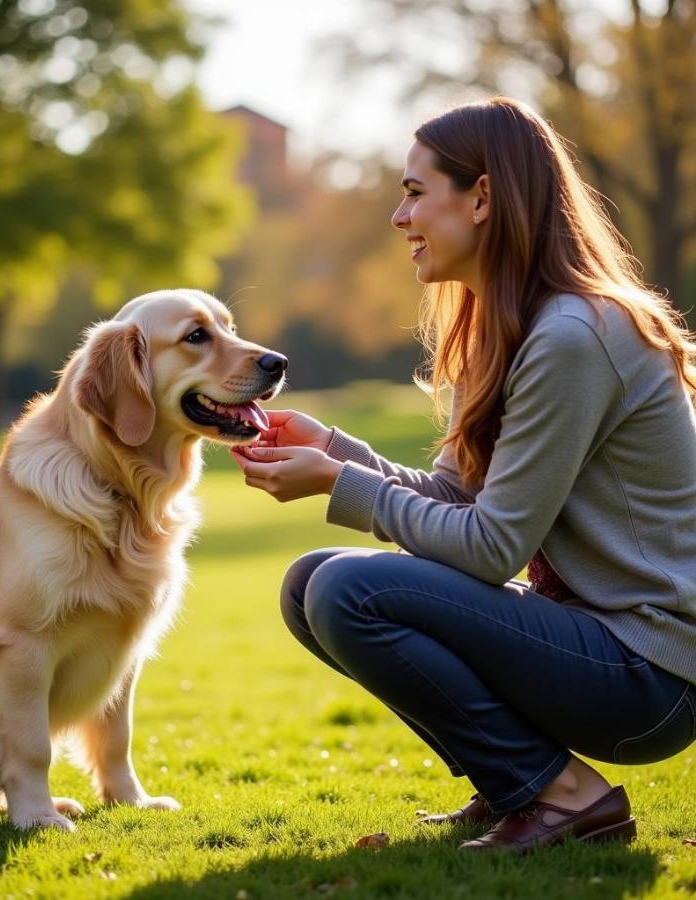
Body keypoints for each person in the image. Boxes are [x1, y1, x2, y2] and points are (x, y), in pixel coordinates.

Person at [230, 97, 696, 854]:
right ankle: (516, 780)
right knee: (309, 583)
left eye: (416, 191)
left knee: (351, 591)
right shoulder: (508, 327)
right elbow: (456, 501)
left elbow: (490, 548)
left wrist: (332, 484)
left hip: (649, 674)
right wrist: (335, 452)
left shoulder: (575, 335)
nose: (397, 215)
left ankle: (562, 796)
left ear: (481, 197)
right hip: (592, 642)